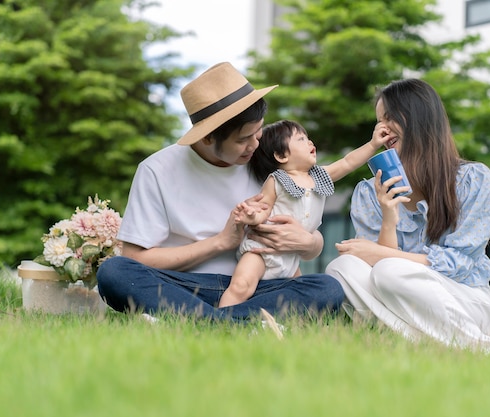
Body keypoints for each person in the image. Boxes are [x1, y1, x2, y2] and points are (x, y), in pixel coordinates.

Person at [96, 62, 345, 322]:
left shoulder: (268, 160)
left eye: (258, 131)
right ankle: (237, 322)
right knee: (115, 272)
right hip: (183, 287)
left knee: (327, 289)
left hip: (257, 288)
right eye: (242, 139)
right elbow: (136, 258)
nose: (255, 144)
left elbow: (308, 230)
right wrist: (220, 242)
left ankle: (205, 322)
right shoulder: (157, 170)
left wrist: (310, 242)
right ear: (207, 138)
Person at [325, 78, 490, 352]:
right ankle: (471, 348)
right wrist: (389, 216)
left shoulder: (473, 180)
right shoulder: (370, 193)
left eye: (389, 117)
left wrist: (384, 256)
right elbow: (373, 272)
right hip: (396, 301)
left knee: (390, 270)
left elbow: (460, 264)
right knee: (340, 269)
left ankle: (480, 347)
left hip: (464, 299)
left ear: (419, 117)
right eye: (378, 121)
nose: (381, 128)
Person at [219, 120, 382, 307]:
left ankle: (286, 328)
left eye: (308, 138)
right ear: (281, 155)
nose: (310, 142)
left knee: (303, 295)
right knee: (241, 286)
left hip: (291, 257)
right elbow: (262, 210)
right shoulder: (276, 180)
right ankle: (222, 319)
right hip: (261, 252)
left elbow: (347, 162)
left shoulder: (318, 176)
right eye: (301, 139)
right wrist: (252, 217)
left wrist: (373, 144)